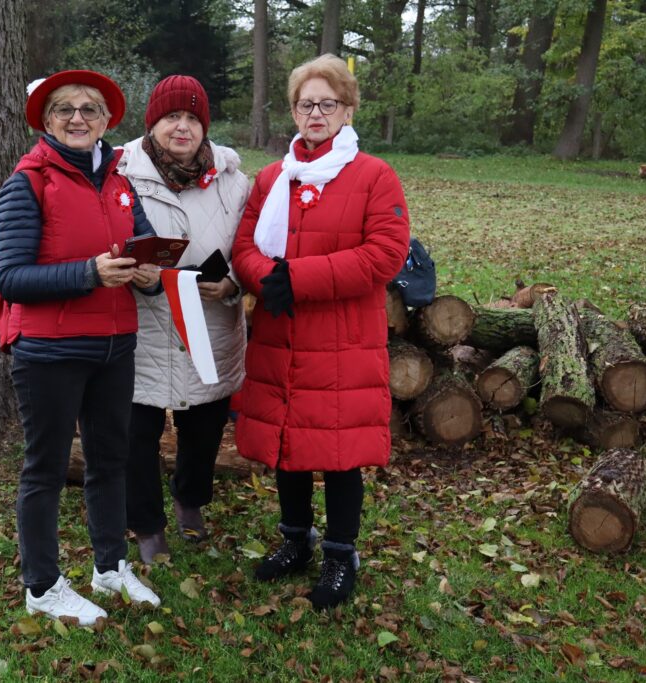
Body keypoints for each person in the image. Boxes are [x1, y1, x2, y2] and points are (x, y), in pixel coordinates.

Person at [231, 54, 410, 610]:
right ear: (293, 110)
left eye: (326, 103)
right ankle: (294, 541)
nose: (315, 113)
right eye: (305, 103)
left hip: (339, 338)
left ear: (348, 109)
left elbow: (385, 254)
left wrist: (296, 277)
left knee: (337, 451)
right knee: (288, 445)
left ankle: (339, 554)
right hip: (282, 335)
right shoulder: (272, 177)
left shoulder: (374, 176)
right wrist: (264, 277)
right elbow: (243, 247)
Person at [0, 70, 162, 627]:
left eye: (89, 109)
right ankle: (42, 586)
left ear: (108, 121)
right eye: (64, 109)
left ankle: (109, 565)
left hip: (115, 344)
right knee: (44, 469)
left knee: (111, 460)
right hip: (51, 350)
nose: (78, 118)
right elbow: (11, 277)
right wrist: (89, 273)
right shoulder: (29, 182)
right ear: (45, 121)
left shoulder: (119, 179)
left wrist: (149, 275)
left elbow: (145, 247)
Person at [118, 76, 249, 564]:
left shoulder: (234, 180)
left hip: (211, 324)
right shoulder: (120, 173)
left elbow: (252, 243)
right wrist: (131, 267)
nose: (183, 127)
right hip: (144, 327)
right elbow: (105, 233)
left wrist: (234, 278)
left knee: (204, 428)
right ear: (152, 122)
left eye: (193, 118)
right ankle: (147, 524)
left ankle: (190, 499)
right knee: (138, 433)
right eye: (172, 116)